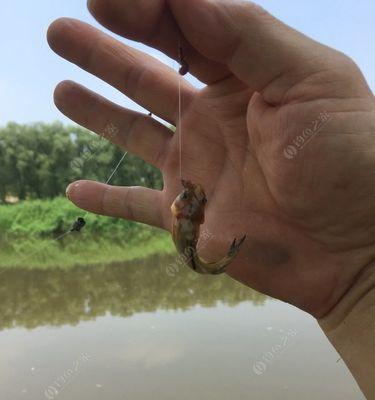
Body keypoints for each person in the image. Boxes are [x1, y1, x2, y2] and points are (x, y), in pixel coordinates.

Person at [47, 0, 375, 397]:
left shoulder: (187, 209)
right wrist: (361, 278)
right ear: (189, 214)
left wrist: (361, 274)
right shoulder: (187, 211)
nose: (190, 197)